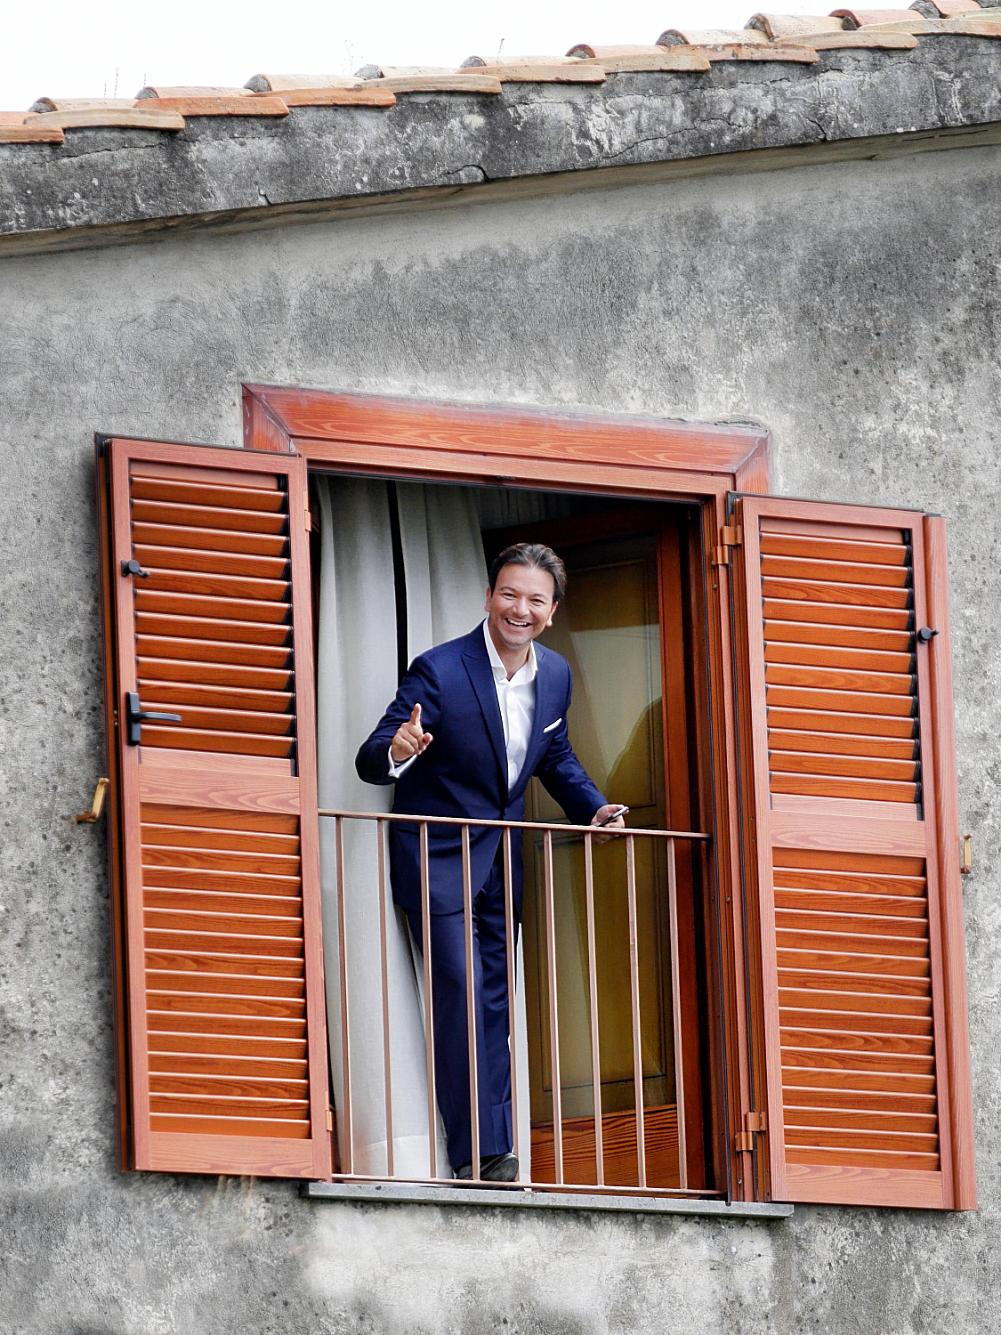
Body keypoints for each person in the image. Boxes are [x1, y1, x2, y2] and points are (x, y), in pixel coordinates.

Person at [355, 542, 625, 1182]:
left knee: (496, 1000)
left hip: (503, 859)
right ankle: (473, 1152)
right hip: (437, 857)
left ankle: (496, 1148)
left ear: (552, 610)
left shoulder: (554, 674)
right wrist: (399, 749)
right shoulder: (441, 670)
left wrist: (591, 809)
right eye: (509, 594)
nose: (519, 609)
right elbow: (372, 759)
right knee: (459, 993)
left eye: (534, 599)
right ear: (488, 597)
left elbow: (553, 757)